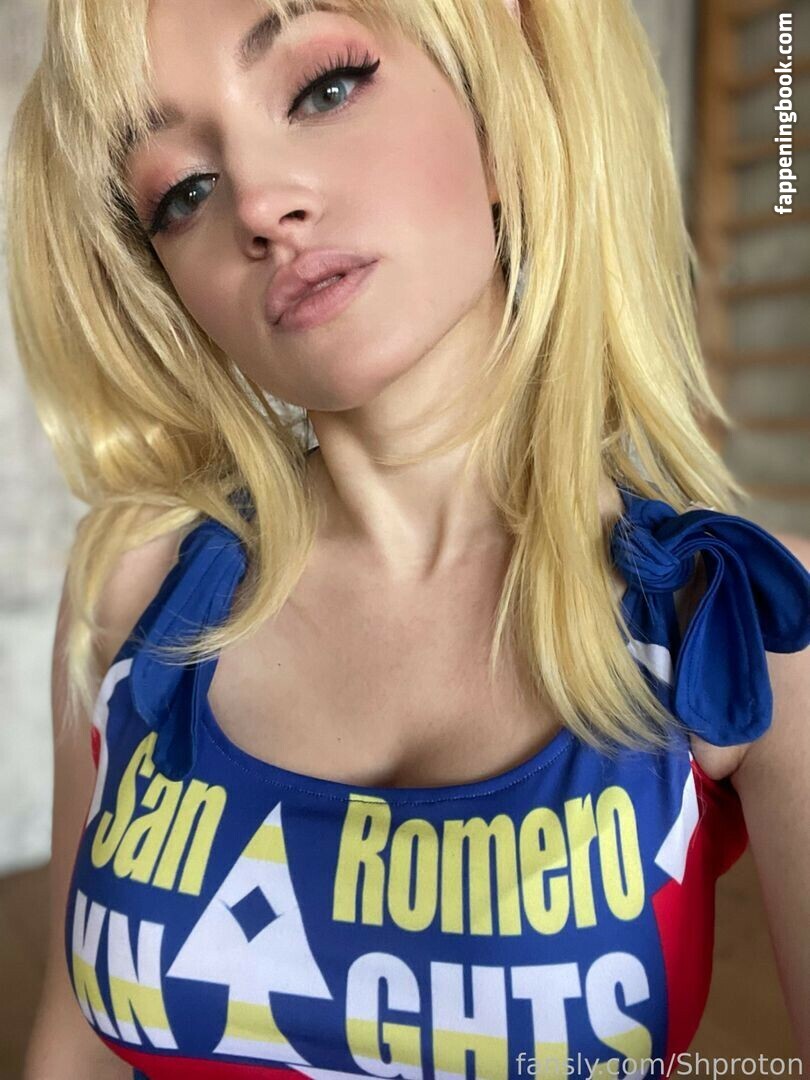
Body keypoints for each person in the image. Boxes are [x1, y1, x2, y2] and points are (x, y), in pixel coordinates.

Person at [6, 0, 809, 1076]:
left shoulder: (752, 623)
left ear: (501, 110)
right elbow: (72, 1048)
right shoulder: (130, 581)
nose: (259, 206)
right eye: (183, 191)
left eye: (325, 88)